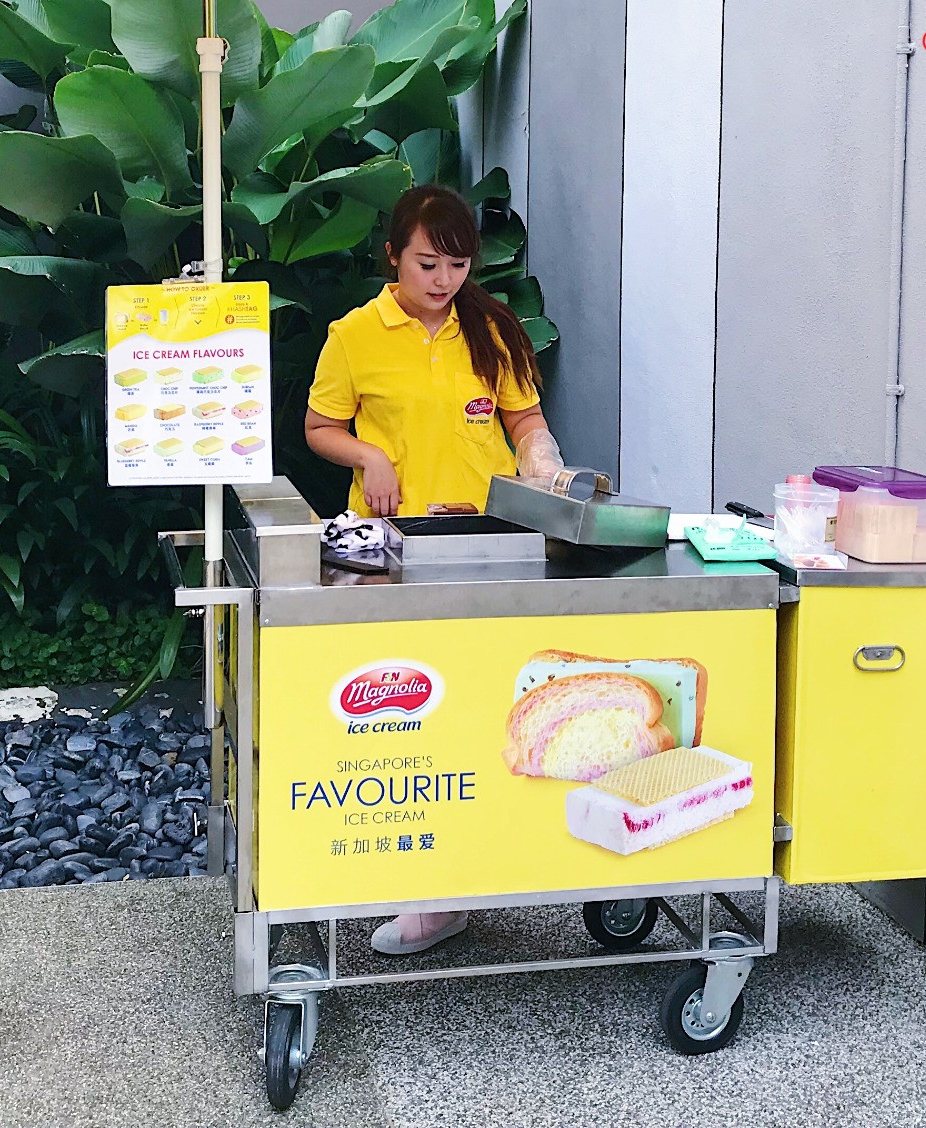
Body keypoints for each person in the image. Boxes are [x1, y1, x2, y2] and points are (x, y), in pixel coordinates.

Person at [305, 184, 565, 954]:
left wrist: (541, 460)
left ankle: (475, 872)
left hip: (487, 538)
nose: (443, 279)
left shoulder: (492, 327)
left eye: (457, 264)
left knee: (484, 704)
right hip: (387, 546)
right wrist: (369, 455)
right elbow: (320, 426)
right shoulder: (354, 335)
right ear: (393, 256)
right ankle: (423, 890)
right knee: (404, 715)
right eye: (427, 263)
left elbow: (524, 418)